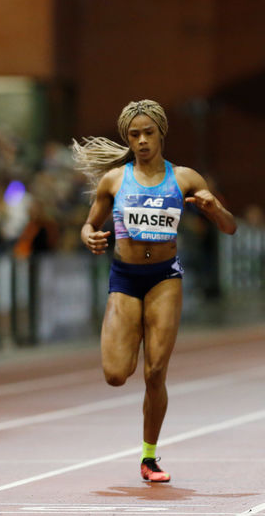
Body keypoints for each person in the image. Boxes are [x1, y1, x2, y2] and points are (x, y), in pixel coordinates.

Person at [72, 99, 236, 482]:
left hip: (165, 278)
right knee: (116, 374)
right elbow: (87, 225)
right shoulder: (114, 180)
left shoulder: (185, 178)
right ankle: (130, 342)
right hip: (125, 279)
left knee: (156, 372)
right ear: (126, 138)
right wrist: (89, 236)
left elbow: (230, 227)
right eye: (134, 135)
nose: (142, 140)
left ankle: (149, 457)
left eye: (148, 133)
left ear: (161, 132)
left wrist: (214, 209)